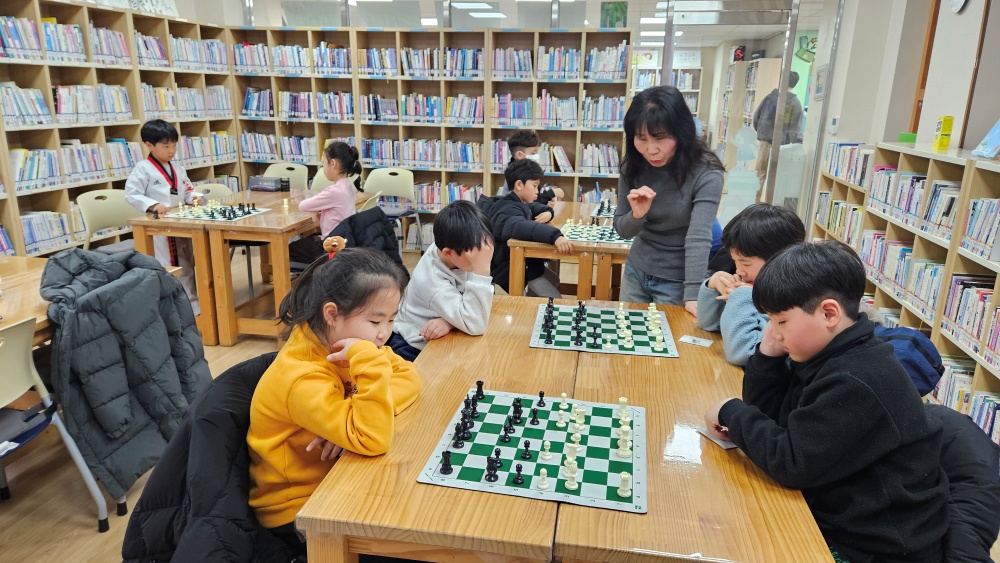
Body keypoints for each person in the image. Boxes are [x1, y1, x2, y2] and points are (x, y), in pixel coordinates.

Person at [704, 242, 950, 563]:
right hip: (843, 516)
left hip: (878, 548)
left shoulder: (856, 378)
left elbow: (790, 462)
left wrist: (730, 410)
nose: (774, 332)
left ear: (829, 313)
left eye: (780, 321)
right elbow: (772, 419)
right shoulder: (824, 352)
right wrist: (767, 355)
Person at [247, 248, 420, 558]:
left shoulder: (348, 341)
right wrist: (359, 417)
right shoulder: (302, 376)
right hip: (298, 511)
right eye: (375, 320)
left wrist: (352, 415)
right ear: (331, 314)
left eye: (392, 319)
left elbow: (409, 377)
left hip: (340, 476)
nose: (384, 333)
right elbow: (373, 438)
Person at [614, 86, 725, 316]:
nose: (651, 149)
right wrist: (637, 215)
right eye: (641, 139)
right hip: (636, 269)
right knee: (627, 334)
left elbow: (698, 236)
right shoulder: (632, 166)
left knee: (669, 337)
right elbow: (622, 230)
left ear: (681, 132)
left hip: (678, 279)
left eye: (660, 138)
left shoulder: (706, 172)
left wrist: (693, 294)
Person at [697, 203, 805, 366]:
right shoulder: (754, 283)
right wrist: (713, 284)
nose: (739, 271)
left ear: (778, 258)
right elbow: (710, 324)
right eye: (735, 261)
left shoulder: (794, 299)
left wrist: (743, 297)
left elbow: (742, 352)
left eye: (746, 263)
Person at [389, 200, 495, 361]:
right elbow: (476, 324)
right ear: (448, 253)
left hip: (443, 329)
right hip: (413, 344)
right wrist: (482, 270)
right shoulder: (433, 283)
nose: (481, 257)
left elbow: (473, 312)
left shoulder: (453, 247)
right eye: (474, 254)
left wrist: (450, 322)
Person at [124, 119, 204, 312]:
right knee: (170, 265)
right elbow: (132, 194)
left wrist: (194, 197)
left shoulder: (178, 169)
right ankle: (177, 307)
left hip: (181, 222)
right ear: (149, 145)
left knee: (187, 262)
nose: (171, 151)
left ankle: (191, 303)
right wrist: (152, 205)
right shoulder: (143, 169)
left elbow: (186, 190)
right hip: (160, 227)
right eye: (166, 146)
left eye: (174, 145)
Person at [481, 158, 572, 298]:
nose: (537, 191)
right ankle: (533, 308)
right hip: (511, 265)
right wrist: (555, 236)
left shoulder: (519, 202)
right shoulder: (508, 208)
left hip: (526, 262)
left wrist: (548, 212)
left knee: (554, 280)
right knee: (555, 299)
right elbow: (520, 226)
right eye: (535, 186)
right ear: (519, 185)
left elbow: (534, 207)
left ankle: (534, 307)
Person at [288, 141, 363, 263]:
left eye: (323, 163)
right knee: (307, 241)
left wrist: (315, 210)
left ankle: (316, 270)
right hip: (345, 241)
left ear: (333, 164)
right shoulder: (349, 186)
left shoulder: (334, 191)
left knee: (290, 249)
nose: (323, 168)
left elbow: (303, 206)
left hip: (331, 246)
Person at [752, 71, 804, 188]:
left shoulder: (769, 98)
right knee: (778, 176)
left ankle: (755, 198)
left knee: (760, 174)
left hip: (765, 142)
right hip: (783, 146)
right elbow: (795, 130)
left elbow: (756, 117)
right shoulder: (796, 103)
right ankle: (773, 199)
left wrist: (762, 133)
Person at [497, 129, 564, 208]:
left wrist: (545, 205)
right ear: (519, 155)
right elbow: (529, 199)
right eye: (533, 153)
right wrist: (551, 193)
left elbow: (533, 199)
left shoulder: (527, 171)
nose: (537, 156)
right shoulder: (517, 174)